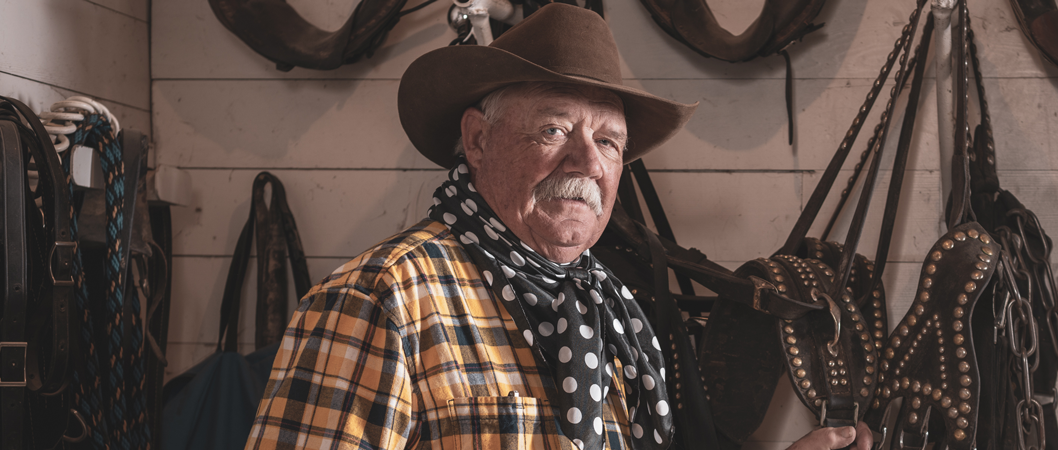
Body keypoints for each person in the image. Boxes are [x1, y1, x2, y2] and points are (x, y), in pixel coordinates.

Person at [243, 4, 871, 450]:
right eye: (553, 130)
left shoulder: (614, 312)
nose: (588, 163)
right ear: (478, 140)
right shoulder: (384, 299)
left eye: (609, 141)